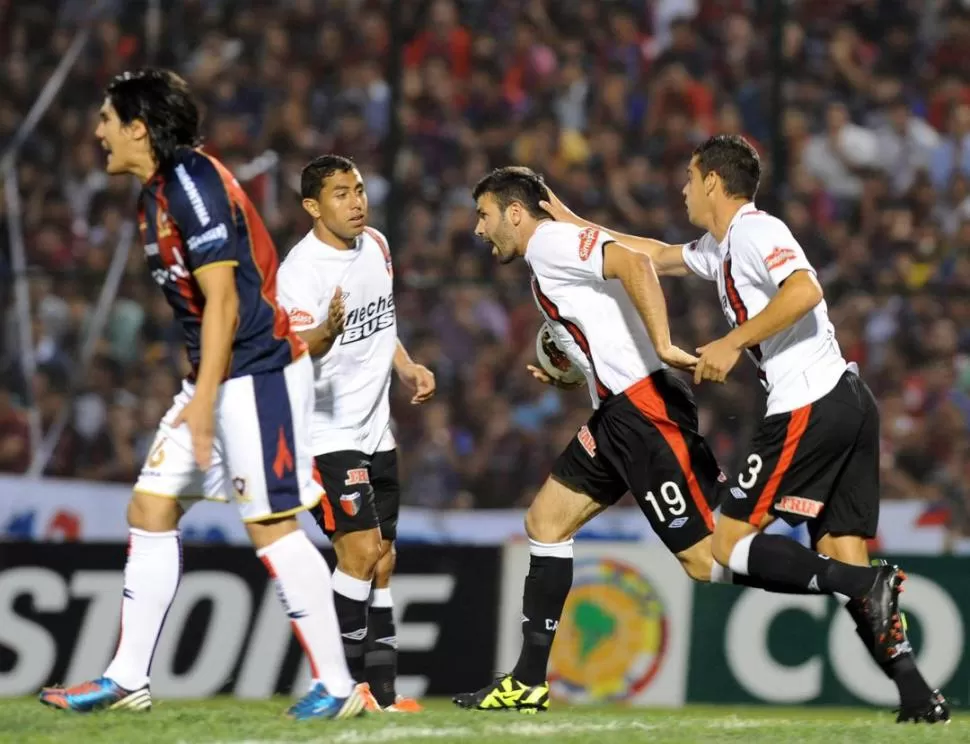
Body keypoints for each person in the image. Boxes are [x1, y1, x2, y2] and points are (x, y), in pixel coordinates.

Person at [539, 134, 949, 724]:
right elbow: (655, 255)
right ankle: (916, 693)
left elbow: (806, 290)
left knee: (727, 547)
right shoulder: (721, 245)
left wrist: (734, 340)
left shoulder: (758, 231)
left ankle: (864, 584)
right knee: (841, 549)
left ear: (712, 181)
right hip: (846, 400)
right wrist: (574, 223)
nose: (682, 188)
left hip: (807, 402)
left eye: (688, 176)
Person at [38, 69, 362, 721]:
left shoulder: (191, 182)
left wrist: (206, 398)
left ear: (138, 128)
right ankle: (127, 678)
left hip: (256, 371)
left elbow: (221, 301)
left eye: (107, 119)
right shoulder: (156, 194)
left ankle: (336, 684)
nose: (98, 131)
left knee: (270, 525)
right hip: (217, 375)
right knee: (150, 508)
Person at [453, 166, 726, 712]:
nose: (478, 229)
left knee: (705, 562)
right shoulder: (557, 244)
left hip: (641, 410)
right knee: (545, 523)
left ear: (513, 212)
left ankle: (844, 579)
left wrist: (665, 342)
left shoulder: (550, 245)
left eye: (483, 215)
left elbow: (633, 263)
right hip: (617, 411)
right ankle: (529, 681)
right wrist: (571, 370)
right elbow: (633, 254)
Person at [277, 155, 435, 713]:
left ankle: (382, 697)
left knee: (383, 558)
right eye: (341, 194)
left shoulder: (379, 246)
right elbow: (296, 348)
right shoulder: (301, 270)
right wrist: (325, 330)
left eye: (360, 190)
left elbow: (384, 323)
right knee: (360, 552)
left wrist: (407, 367)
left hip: (376, 430)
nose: (356, 202)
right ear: (312, 207)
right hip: (325, 433)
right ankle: (333, 685)